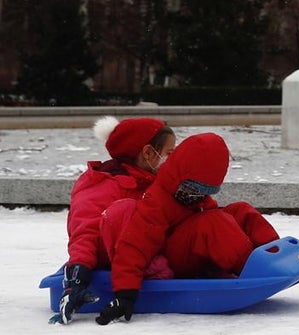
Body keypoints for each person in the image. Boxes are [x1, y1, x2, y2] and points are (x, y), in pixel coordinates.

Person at [95, 132, 280, 325]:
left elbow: (215, 216)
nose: (196, 196)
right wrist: (125, 294)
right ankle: (251, 269)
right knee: (214, 222)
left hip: (193, 245)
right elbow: (134, 246)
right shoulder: (157, 201)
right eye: (192, 189)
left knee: (239, 210)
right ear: (179, 175)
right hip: (172, 260)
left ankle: (275, 252)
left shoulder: (197, 197)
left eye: (205, 192)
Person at [56, 116, 177, 325]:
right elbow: (86, 229)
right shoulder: (104, 183)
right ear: (148, 152)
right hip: (114, 254)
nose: (172, 160)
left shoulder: (152, 179)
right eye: (168, 154)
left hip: (142, 248)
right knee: (127, 210)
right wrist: (78, 275)